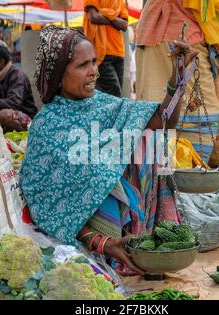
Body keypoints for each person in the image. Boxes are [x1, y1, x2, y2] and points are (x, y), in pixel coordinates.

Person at [19, 26, 197, 275]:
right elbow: (47, 205)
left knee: (146, 139)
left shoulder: (103, 104)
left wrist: (177, 80)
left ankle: (140, 239)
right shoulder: (46, 126)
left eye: (94, 62)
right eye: (83, 66)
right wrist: (103, 242)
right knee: (99, 170)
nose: (94, 72)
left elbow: (161, 119)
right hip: (89, 238)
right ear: (58, 75)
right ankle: (113, 247)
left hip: (128, 232)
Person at [135, 0, 219, 162]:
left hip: (150, 31)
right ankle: (189, 173)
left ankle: (160, 174)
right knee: (203, 112)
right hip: (182, 41)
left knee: (155, 105)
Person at [0, 45, 38, 132]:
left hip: (27, 117)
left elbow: (14, 102)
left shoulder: (17, 75)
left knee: (4, 115)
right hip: (10, 112)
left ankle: (28, 135)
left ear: (1, 61)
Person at [83, 0, 129, 97]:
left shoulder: (120, 1)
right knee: (114, 92)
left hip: (119, 52)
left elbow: (124, 25)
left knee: (115, 92)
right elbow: (94, 17)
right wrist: (115, 19)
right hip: (101, 53)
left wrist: (105, 14)